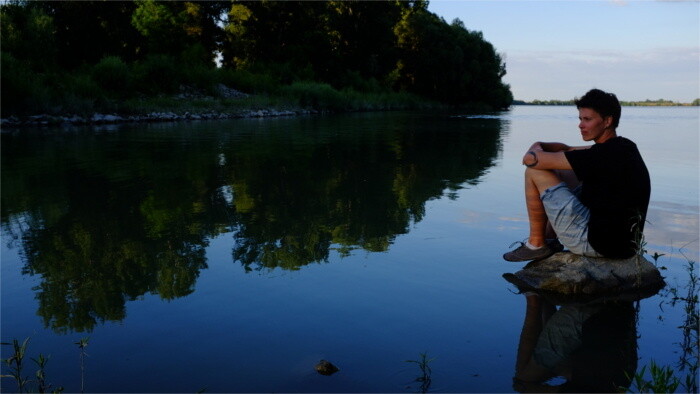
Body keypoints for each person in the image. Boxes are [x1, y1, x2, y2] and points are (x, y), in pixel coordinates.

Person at [503, 88, 651, 262]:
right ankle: (550, 239)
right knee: (563, 171)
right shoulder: (624, 147)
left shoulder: (601, 155)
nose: (580, 125)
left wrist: (535, 146)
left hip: (597, 245)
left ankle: (536, 244)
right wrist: (541, 144)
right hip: (625, 246)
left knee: (535, 171)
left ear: (607, 121)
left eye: (587, 119)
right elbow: (567, 149)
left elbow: (530, 160)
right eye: (580, 119)